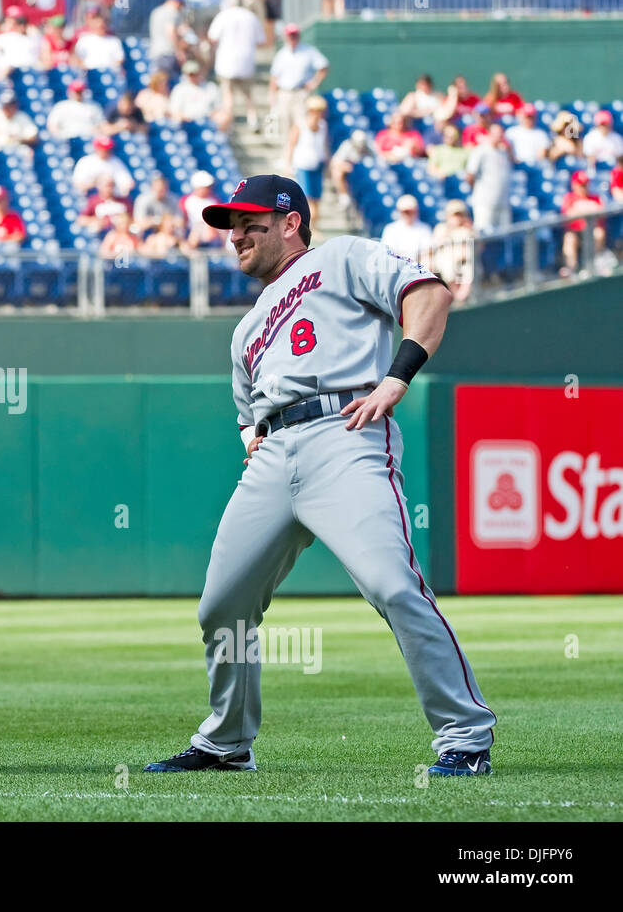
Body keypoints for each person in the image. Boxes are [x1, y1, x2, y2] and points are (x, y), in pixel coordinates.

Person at [144, 173, 496, 779]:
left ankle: (465, 735)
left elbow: (430, 296)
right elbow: (246, 414)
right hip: (275, 454)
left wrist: (398, 375)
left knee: (392, 584)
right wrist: (254, 440)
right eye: (232, 227)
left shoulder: (342, 256)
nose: (237, 236)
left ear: (291, 222)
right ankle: (226, 743)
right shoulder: (246, 328)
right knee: (222, 605)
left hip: (347, 431)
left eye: (251, 223)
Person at [207, 0, 265, 132]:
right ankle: (253, 121)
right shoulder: (251, 17)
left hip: (226, 62)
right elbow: (261, 41)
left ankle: (229, 123)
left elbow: (212, 37)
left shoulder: (223, 16)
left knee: (228, 95)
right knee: (248, 95)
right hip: (246, 62)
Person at [268, 22, 329, 145]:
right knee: (285, 125)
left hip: (301, 93)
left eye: (294, 35)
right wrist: (272, 95)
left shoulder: (308, 51)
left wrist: (314, 83)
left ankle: (298, 156)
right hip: (284, 93)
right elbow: (274, 77)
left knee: (301, 125)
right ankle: (286, 157)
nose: (292, 38)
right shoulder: (282, 54)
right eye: (290, 35)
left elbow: (324, 66)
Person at [284, 96, 329, 231]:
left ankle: (314, 226)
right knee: (308, 199)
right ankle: (309, 227)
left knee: (317, 198)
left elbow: (324, 145)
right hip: (303, 166)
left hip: (317, 165)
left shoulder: (323, 126)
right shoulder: (300, 126)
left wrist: (327, 162)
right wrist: (288, 164)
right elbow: (291, 145)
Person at [465, 125, 512, 233]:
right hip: (484, 202)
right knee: (482, 233)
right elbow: (470, 175)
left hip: (502, 201)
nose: (499, 137)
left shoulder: (503, 151)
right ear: (490, 135)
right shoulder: (481, 150)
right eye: (496, 134)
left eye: (501, 134)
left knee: (503, 236)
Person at [560, 170, 605, 278]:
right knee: (569, 238)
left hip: (591, 231)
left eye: (585, 185)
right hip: (576, 232)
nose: (583, 188)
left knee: (599, 233)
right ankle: (571, 270)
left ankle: (595, 262)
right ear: (574, 185)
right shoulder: (569, 197)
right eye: (581, 185)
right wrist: (587, 209)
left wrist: (581, 209)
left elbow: (602, 212)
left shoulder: (595, 197)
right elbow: (567, 216)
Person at [427, 199, 473, 303]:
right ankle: (457, 296)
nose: (457, 218)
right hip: (446, 264)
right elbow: (436, 245)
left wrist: (470, 229)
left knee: (468, 263)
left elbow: (478, 248)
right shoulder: (441, 228)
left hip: (463, 263)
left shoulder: (467, 229)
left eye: (460, 214)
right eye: (454, 215)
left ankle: (462, 296)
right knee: (447, 262)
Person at [380, 194, 433, 262]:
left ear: (416, 211)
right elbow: (388, 253)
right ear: (399, 211)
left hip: (418, 268)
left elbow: (426, 254)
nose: (408, 214)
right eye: (405, 212)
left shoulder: (424, 229)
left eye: (410, 211)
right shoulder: (391, 229)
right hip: (397, 266)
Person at [167, 59, 222, 124]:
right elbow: (175, 111)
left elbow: (218, 108)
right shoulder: (179, 89)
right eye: (191, 74)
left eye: (196, 73)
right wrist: (186, 119)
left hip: (207, 121)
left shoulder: (211, 87)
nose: (194, 76)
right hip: (187, 124)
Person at [180, 170, 225, 248]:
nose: (208, 189)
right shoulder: (187, 201)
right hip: (193, 231)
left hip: (212, 231)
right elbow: (183, 221)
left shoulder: (214, 200)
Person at [329, 127, 370, 209]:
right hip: (351, 172)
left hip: (365, 174)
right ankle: (344, 196)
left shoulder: (368, 147)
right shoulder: (347, 145)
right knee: (337, 172)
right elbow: (335, 162)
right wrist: (348, 166)